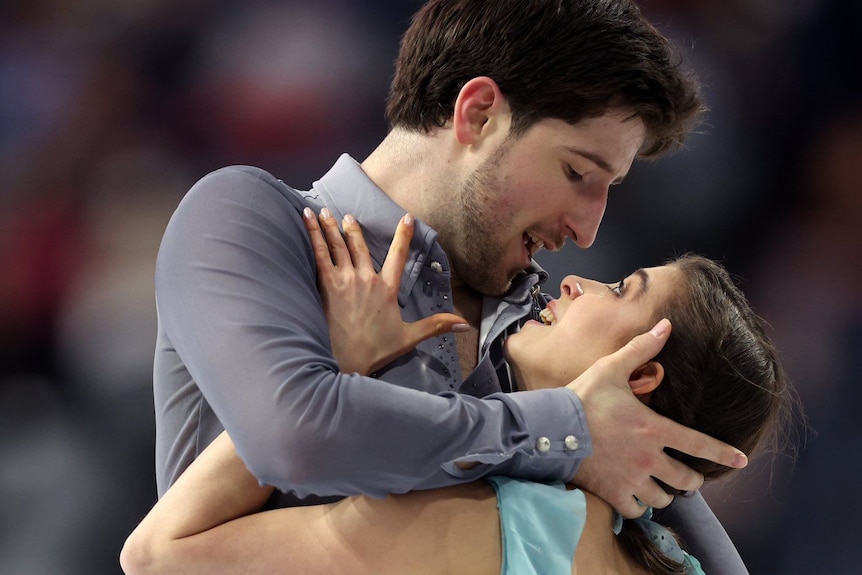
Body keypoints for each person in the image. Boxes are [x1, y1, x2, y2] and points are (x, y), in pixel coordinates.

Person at [152, 0, 749, 571]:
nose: (588, 231)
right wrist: (560, 430)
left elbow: (695, 548)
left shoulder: (544, 335)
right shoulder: (246, 218)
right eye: (577, 172)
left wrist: (584, 434)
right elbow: (294, 442)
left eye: (608, 188)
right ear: (479, 114)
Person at [124, 215, 794, 574]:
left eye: (620, 291)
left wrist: (332, 374)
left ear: (641, 373)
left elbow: (159, 554)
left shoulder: (496, 530)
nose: (574, 281)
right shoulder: (677, 563)